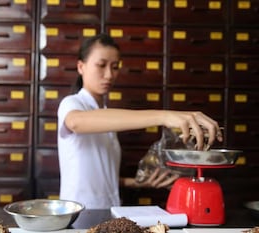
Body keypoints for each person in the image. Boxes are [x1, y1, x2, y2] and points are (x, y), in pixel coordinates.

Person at [57, 33, 223, 209]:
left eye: (115, 67)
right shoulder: (72, 103)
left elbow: (100, 176)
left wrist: (139, 182)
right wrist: (164, 116)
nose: (109, 74)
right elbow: (76, 122)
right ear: (81, 67)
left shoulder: (105, 114)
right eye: (101, 65)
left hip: (109, 209)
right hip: (80, 212)